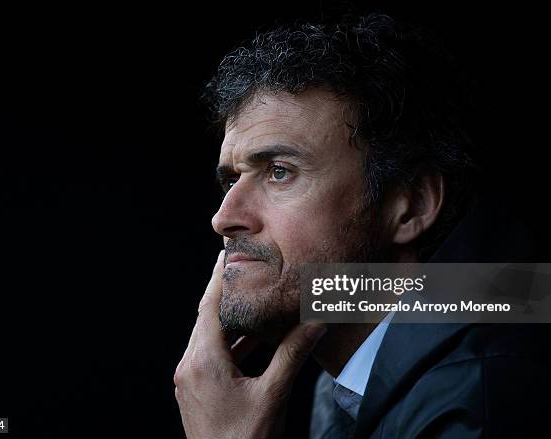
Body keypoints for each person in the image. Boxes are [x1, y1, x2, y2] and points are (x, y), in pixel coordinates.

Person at [174, 12, 551, 438]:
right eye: (231, 179)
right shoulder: (356, 374)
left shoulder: (480, 399)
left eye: (279, 171)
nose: (224, 217)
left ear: (409, 207)